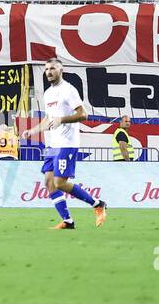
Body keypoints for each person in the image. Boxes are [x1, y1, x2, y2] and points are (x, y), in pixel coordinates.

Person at [22, 60, 107, 230]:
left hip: (67, 143)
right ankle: (67, 221)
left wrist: (62, 119)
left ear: (61, 70)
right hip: (53, 144)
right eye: (46, 69)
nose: (48, 72)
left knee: (60, 182)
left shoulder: (68, 90)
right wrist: (32, 131)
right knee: (48, 181)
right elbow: (48, 119)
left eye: (52, 68)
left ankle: (97, 204)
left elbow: (83, 114)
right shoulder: (47, 94)